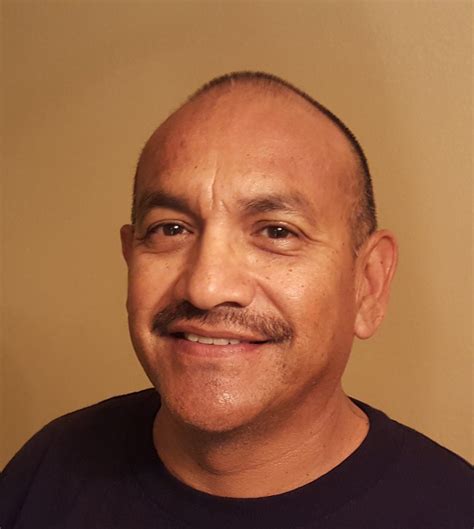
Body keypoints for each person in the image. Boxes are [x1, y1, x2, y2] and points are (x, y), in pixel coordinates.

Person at [0, 72, 471, 529]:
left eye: (277, 232)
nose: (205, 287)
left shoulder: (455, 511)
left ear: (367, 283)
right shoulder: (48, 471)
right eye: (171, 229)